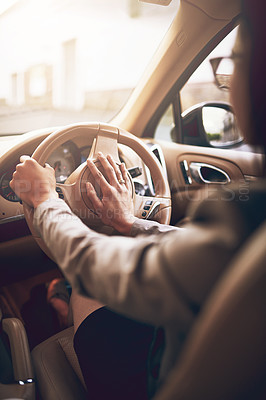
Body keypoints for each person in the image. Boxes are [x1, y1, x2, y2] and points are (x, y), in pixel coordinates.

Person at [10, 0, 266, 398]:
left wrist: (44, 198)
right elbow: (210, 258)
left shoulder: (246, 213)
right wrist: (128, 222)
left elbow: (89, 261)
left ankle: (64, 306)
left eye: (233, 62)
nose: (229, 83)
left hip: (157, 382)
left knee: (88, 288)